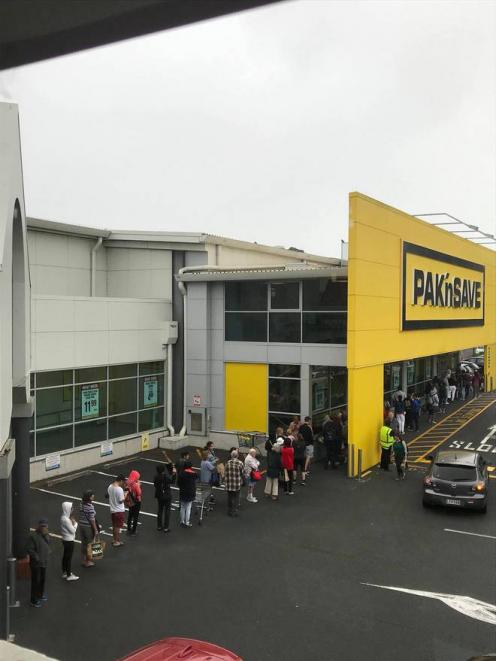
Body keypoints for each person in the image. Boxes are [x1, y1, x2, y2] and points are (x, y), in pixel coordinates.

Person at [27, 519, 50, 606]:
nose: (44, 528)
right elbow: (30, 549)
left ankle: (40, 594)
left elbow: (47, 545)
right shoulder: (33, 536)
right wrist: (37, 558)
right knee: (35, 581)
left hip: (44, 562)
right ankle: (33, 600)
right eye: (43, 526)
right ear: (39, 527)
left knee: (42, 579)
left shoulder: (46, 535)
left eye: (45, 526)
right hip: (36, 564)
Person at [79, 490, 98, 568]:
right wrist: (96, 529)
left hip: (81, 525)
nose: (93, 496)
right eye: (92, 495)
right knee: (89, 544)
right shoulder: (90, 507)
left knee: (84, 543)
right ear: (89, 497)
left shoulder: (81, 504)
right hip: (87, 527)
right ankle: (88, 561)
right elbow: (92, 519)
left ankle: (83, 560)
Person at [60, 503, 79, 581]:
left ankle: (64, 572)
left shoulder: (63, 517)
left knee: (65, 557)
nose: (72, 509)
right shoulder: (66, 520)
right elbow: (73, 531)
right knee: (68, 558)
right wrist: (75, 523)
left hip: (65, 539)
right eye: (71, 508)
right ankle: (69, 575)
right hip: (69, 541)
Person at [154, 464, 175, 532]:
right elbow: (172, 481)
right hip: (167, 495)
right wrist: (174, 474)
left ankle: (159, 526)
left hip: (159, 495)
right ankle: (166, 527)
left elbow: (155, 485)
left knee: (160, 510)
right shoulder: (165, 477)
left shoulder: (156, 477)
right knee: (167, 511)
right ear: (163, 470)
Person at [108, 474, 127, 546]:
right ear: (121, 480)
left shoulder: (110, 486)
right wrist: (125, 494)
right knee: (117, 527)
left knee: (114, 526)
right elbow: (121, 501)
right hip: (119, 511)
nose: (123, 484)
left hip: (113, 509)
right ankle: (116, 542)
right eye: (123, 482)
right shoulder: (119, 489)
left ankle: (115, 540)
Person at [224, 449, 244, 516]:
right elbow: (242, 473)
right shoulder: (240, 463)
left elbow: (225, 472)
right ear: (237, 456)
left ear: (231, 455)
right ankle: (234, 511)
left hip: (229, 483)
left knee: (229, 497)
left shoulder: (228, 462)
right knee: (236, 498)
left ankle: (229, 510)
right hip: (236, 484)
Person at [177, 460, 197, 527]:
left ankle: (182, 521)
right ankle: (187, 522)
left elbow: (178, 483)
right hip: (190, 492)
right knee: (188, 507)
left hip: (183, 491)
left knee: (182, 507)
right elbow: (196, 478)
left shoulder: (181, 474)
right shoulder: (194, 474)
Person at [126, 470, 142, 536]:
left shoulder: (127, 482)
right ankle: (134, 530)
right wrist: (139, 485)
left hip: (130, 501)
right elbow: (139, 493)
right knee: (135, 516)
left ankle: (128, 528)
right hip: (136, 501)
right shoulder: (135, 485)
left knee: (130, 515)